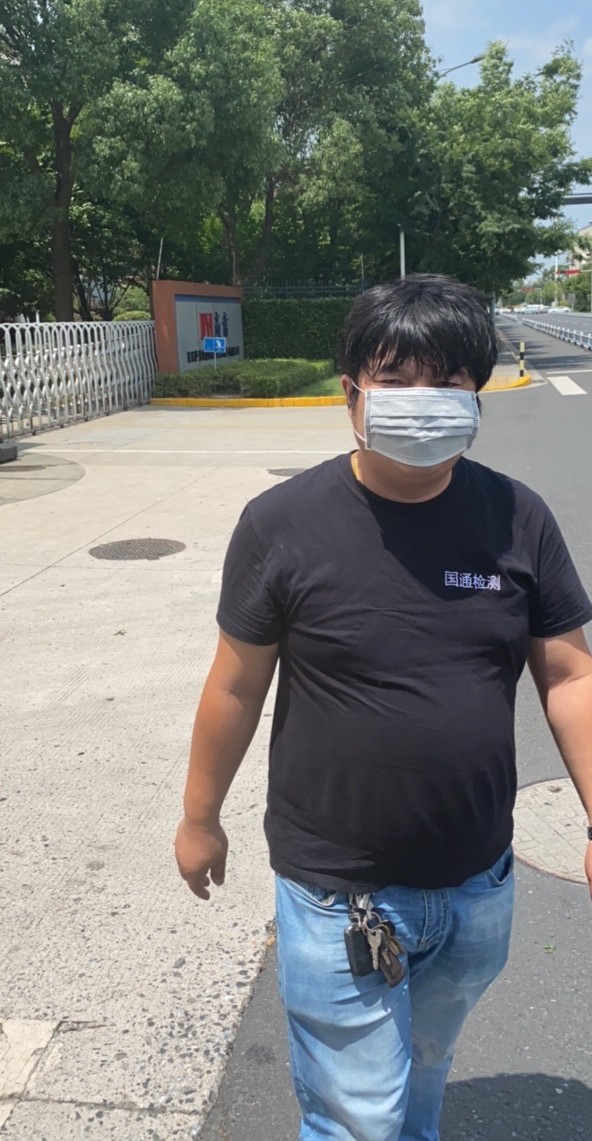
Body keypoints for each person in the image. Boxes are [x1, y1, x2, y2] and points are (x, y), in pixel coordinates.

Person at [175, 274, 592, 1141]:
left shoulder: (518, 518)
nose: (421, 401)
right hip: (339, 893)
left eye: (446, 381)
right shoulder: (282, 523)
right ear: (351, 394)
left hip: (477, 884)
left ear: (477, 394)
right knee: (357, 1114)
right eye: (395, 379)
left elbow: (569, 679)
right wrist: (199, 817)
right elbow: (235, 684)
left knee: (423, 1070)